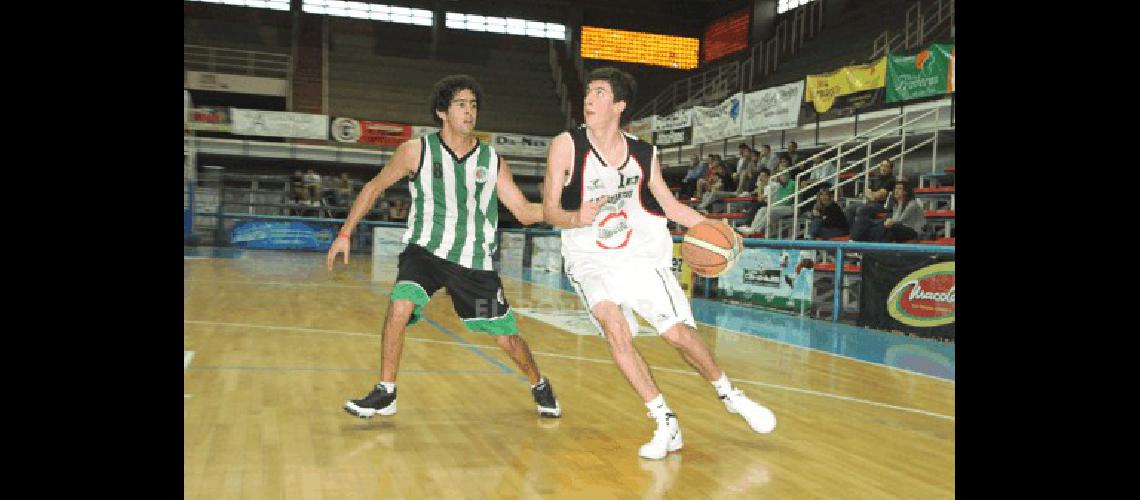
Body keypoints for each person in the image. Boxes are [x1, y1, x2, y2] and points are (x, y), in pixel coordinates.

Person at [542, 66, 776, 460]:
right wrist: (574, 217)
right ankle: (664, 420)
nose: (588, 99)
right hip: (588, 257)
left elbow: (669, 207)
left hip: (638, 255)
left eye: (599, 93)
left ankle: (730, 394)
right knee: (615, 329)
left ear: (619, 105)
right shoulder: (566, 145)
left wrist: (718, 230)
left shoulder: (643, 152)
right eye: (588, 93)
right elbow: (550, 210)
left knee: (676, 335)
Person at [327, 74, 562, 420]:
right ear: (442, 111)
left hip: (473, 264)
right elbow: (374, 187)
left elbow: (525, 212)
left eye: (474, 106)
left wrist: (567, 214)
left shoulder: (491, 161)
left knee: (506, 340)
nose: (470, 112)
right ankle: (386, 391)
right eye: (461, 105)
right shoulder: (416, 151)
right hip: (425, 253)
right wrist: (345, 233)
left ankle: (539, 382)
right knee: (400, 305)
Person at [847, 159, 898, 240]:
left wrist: (873, 195)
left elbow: (880, 195)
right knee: (850, 209)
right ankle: (851, 233)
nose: (883, 168)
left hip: (883, 206)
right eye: (882, 166)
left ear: (890, 169)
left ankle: (860, 235)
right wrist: (873, 196)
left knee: (862, 209)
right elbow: (867, 192)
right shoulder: (877, 178)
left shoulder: (891, 180)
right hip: (873, 203)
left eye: (886, 166)